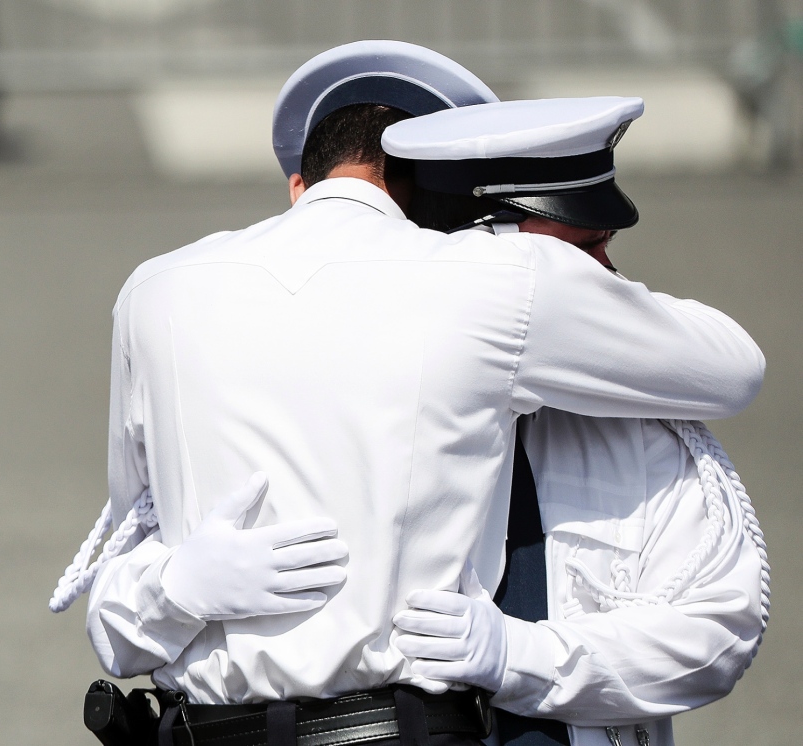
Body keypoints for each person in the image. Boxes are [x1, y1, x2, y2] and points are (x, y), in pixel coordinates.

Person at [84, 42, 764, 746]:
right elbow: (732, 366)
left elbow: (126, 557)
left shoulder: (157, 291)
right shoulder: (496, 282)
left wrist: (174, 590)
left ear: (300, 184)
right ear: (443, 197)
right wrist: (168, 590)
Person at [383, 99, 769, 746]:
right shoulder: (357, 402)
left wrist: (524, 659)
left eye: (604, 248)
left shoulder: (638, 414)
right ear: (489, 255)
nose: (609, 278)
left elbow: (717, 632)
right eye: (579, 252)